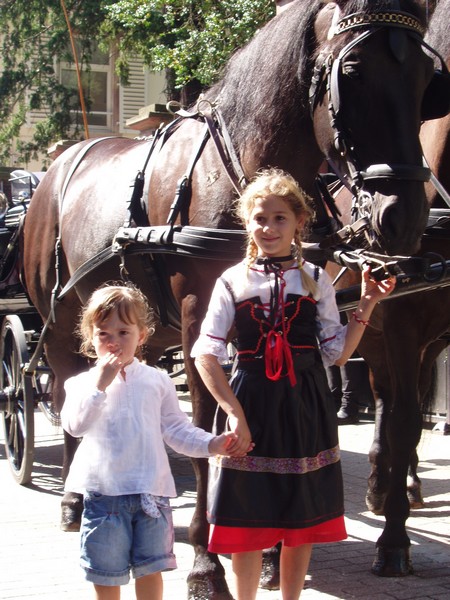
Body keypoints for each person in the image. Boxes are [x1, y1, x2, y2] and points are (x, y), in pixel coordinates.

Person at [191, 167, 396, 600]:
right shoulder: (233, 281)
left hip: (305, 403)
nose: (268, 228)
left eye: (280, 218)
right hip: (250, 403)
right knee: (245, 520)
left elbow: (335, 352)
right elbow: (205, 355)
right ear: (247, 221)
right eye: (260, 218)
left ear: (300, 221)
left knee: (299, 523)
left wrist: (368, 303)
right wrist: (234, 416)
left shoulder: (316, 279)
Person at [61, 283, 251, 600]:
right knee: (107, 577)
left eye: (123, 332)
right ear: (90, 337)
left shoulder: (156, 380)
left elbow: (176, 429)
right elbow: (75, 425)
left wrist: (211, 444)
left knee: (151, 572)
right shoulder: (80, 383)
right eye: (103, 334)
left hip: (152, 495)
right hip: (104, 497)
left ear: (142, 336)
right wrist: (100, 385)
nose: (113, 342)